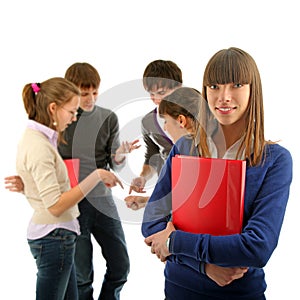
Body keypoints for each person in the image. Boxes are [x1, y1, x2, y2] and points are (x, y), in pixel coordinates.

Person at [141, 47, 293, 299]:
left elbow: (257, 247)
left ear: (252, 90)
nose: (223, 96)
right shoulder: (184, 148)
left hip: (240, 293)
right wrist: (204, 266)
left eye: (236, 84)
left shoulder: (274, 160)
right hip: (179, 289)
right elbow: (151, 224)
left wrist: (174, 242)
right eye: (214, 86)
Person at [6, 63, 139, 300]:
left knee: (120, 266)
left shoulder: (107, 118)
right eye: (83, 93)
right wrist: (27, 182)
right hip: (73, 205)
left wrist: (120, 155)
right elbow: (47, 169)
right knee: (81, 277)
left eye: (94, 92)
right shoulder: (56, 124)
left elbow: (112, 163)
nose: (89, 99)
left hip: (101, 200)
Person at [125, 59, 182, 210]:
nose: (156, 98)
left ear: (179, 88)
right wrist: (142, 177)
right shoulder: (148, 122)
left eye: (162, 93)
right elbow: (152, 156)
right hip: (169, 189)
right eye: (151, 94)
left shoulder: (198, 114)